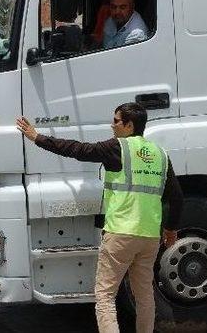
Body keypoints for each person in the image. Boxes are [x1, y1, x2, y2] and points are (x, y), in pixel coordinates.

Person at [16, 103, 183, 333]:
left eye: (116, 120)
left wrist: (38, 138)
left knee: (105, 295)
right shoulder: (160, 155)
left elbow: (77, 149)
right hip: (149, 237)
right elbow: (177, 196)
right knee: (144, 296)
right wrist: (171, 229)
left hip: (120, 234)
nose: (112, 124)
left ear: (129, 125)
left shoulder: (118, 148)